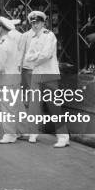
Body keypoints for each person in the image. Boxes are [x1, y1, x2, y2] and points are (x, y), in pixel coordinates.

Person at [23, 11, 69, 148]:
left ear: (43, 22)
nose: (35, 25)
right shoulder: (34, 39)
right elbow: (27, 57)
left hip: (49, 74)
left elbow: (47, 55)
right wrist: (37, 56)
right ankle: (33, 132)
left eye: (37, 22)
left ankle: (63, 136)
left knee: (54, 106)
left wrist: (35, 57)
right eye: (32, 23)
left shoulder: (49, 35)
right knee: (34, 106)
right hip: (37, 73)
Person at [0, 17, 24, 144]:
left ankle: (10, 134)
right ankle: (23, 131)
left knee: (7, 107)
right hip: (15, 76)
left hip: (6, 78)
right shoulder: (12, 41)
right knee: (18, 106)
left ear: (1, 27)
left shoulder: (2, 43)